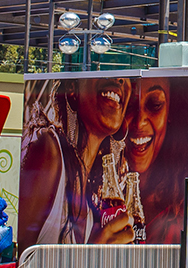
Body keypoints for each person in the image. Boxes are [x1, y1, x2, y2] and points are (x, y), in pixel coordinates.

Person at [17, 76, 136, 249]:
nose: (120, 78)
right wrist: (93, 254)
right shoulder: (49, 151)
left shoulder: (88, 202)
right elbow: (19, 261)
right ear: (72, 88)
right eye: (100, 68)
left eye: (129, 76)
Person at [128, 75, 188, 248]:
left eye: (155, 105)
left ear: (171, 112)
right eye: (129, 106)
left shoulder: (185, 210)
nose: (139, 123)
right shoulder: (98, 194)